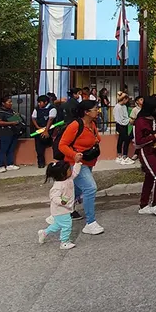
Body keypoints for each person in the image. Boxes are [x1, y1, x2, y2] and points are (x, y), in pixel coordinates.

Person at [56, 99, 104, 236]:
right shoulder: (75, 125)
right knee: (90, 188)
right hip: (76, 163)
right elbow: (62, 145)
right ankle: (90, 223)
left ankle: (62, 209)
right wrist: (74, 154)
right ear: (86, 112)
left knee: (76, 189)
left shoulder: (92, 124)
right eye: (95, 109)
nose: (98, 111)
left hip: (88, 161)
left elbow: (97, 138)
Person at [133, 95, 156, 216]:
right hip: (146, 151)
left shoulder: (155, 119)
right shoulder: (140, 121)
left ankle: (143, 205)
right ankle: (155, 204)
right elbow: (139, 141)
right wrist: (155, 136)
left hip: (155, 150)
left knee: (149, 177)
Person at [38, 158, 82, 250]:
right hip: (60, 209)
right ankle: (64, 242)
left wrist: (77, 163)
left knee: (58, 225)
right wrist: (61, 201)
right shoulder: (58, 185)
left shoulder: (69, 178)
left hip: (65, 208)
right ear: (62, 174)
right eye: (69, 170)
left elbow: (75, 172)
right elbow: (54, 197)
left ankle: (44, 232)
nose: (71, 170)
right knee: (67, 225)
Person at [0, 96, 22, 173]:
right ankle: (1, 165)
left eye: (11, 102)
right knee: (3, 149)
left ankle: (10, 164)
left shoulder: (11, 111)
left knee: (11, 149)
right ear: (3, 103)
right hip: (4, 133)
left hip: (13, 132)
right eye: (9, 102)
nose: (11, 103)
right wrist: (11, 122)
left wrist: (16, 117)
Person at [32, 95, 57, 169]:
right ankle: (40, 163)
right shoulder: (37, 109)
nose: (39, 104)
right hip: (39, 130)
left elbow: (51, 120)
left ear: (46, 102)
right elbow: (33, 118)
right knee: (38, 147)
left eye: (40, 102)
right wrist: (37, 127)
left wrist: (46, 130)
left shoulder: (52, 109)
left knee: (44, 138)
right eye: (38, 102)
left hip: (49, 130)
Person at [113, 92, 134, 164]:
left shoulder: (124, 106)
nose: (127, 101)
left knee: (121, 139)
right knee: (126, 140)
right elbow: (120, 119)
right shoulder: (117, 107)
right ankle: (124, 156)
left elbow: (125, 117)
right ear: (124, 99)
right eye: (127, 99)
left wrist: (128, 120)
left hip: (124, 125)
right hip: (120, 125)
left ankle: (120, 156)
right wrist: (129, 120)